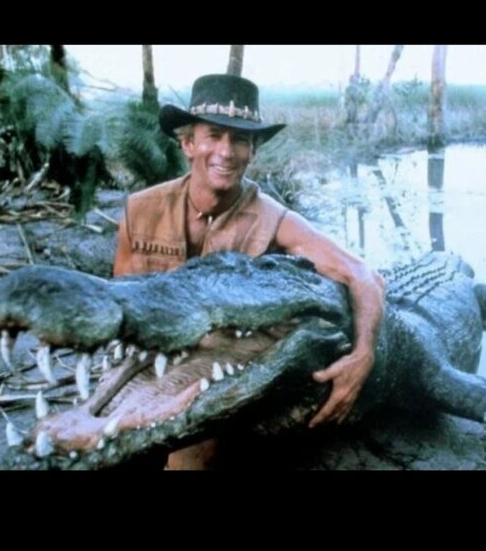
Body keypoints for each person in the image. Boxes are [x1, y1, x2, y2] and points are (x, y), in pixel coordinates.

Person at [113, 74, 386, 470]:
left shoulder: (275, 219)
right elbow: (120, 306)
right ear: (188, 144)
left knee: (189, 458)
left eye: (240, 139)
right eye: (213, 136)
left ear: (252, 151)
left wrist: (363, 356)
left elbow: (365, 276)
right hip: (151, 361)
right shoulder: (139, 210)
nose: (226, 151)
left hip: (217, 372)